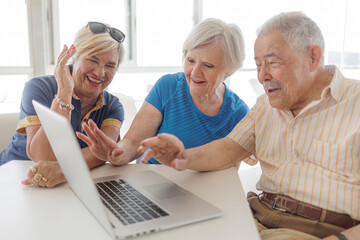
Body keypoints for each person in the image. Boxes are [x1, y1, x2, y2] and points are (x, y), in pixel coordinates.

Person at [137, 12, 360, 240]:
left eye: (272, 63)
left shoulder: (356, 103)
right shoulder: (264, 107)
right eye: (258, 64)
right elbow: (226, 150)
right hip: (255, 215)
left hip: (317, 230)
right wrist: (182, 157)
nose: (262, 75)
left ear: (313, 57)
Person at [23, 18, 249, 187]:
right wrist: (115, 154)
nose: (195, 72)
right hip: (150, 186)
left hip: (200, 193)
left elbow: (227, 173)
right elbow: (131, 143)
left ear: (229, 69)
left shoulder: (238, 112)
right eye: (190, 60)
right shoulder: (169, 86)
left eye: (208, 66)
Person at [1, 22, 125, 174]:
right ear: (74, 57)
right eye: (92, 60)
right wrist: (64, 93)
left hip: (64, 181)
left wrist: (62, 170)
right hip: (14, 175)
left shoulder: (113, 106)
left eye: (110, 66)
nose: (100, 73)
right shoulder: (38, 87)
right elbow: (42, 156)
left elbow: (104, 152)